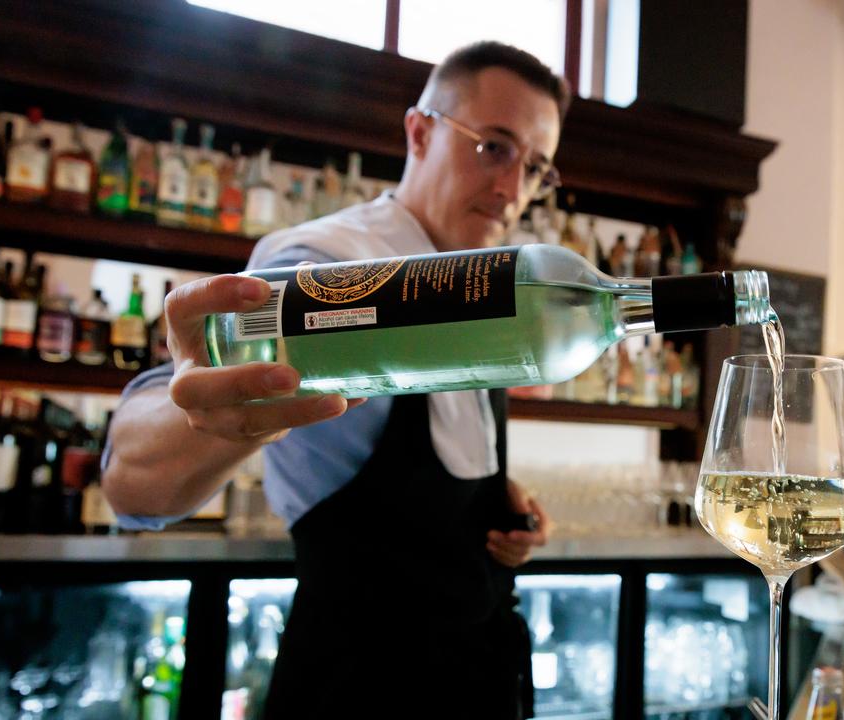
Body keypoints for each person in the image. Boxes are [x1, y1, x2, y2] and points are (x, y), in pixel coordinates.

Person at [101, 41, 568, 718]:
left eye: (537, 167)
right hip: (356, 689)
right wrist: (203, 413)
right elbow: (133, 478)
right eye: (494, 147)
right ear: (420, 132)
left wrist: (493, 507)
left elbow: (427, 463)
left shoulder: (482, 282)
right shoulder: (327, 261)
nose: (513, 187)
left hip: (480, 678)